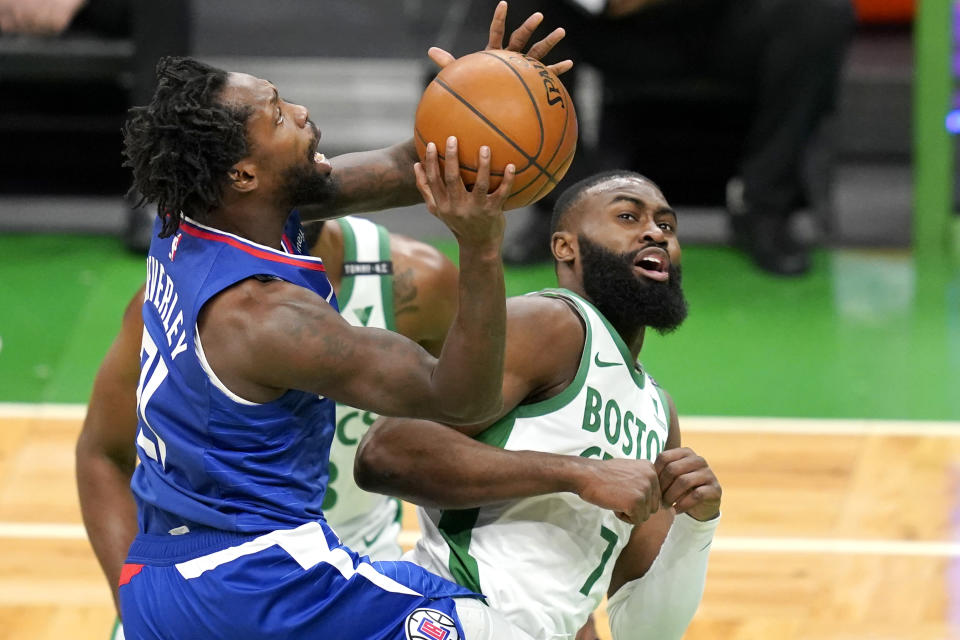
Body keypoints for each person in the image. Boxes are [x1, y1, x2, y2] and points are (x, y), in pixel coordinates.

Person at [91, 5, 579, 637]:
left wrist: (480, 95)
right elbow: (458, 397)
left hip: (165, 576)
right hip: (262, 586)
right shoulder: (265, 318)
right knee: (512, 624)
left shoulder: (200, 216)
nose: (299, 111)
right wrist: (482, 248)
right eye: (276, 114)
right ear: (244, 172)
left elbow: (409, 166)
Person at [356, 170, 722, 639]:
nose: (655, 232)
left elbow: (644, 630)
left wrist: (698, 527)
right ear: (565, 247)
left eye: (667, 226)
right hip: (449, 613)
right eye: (628, 216)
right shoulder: (550, 323)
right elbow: (386, 452)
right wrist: (578, 473)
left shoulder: (656, 411)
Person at [76, 215, 459, 639]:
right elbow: (102, 454)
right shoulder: (184, 298)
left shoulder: (417, 281)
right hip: (202, 588)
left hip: (354, 577)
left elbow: (472, 423)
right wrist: (136, 609)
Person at [498, 0, 854, 276]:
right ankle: (561, 204)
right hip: (619, 29)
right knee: (523, 9)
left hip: (727, 24)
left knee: (822, 10)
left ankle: (766, 206)